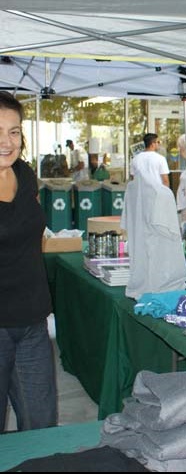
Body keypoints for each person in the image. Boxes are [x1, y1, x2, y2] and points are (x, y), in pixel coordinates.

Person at [0, 90, 57, 431]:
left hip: (33, 321)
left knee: (42, 426)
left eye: (14, 131)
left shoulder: (25, 173)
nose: (7, 141)